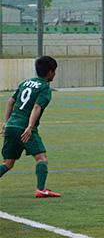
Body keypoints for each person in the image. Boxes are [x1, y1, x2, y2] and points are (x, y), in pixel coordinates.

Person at [0, 56, 61, 197]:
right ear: (50, 72)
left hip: (11, 125)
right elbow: (37, 107)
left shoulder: (26, 82)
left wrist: (5, 122)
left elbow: (11, 101)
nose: (55, 74)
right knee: (42, 159)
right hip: (24, 127)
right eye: (54, 71)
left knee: (8, 163)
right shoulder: (45, 88)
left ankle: (41, 189)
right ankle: (41, 189)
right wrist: (30, 127)